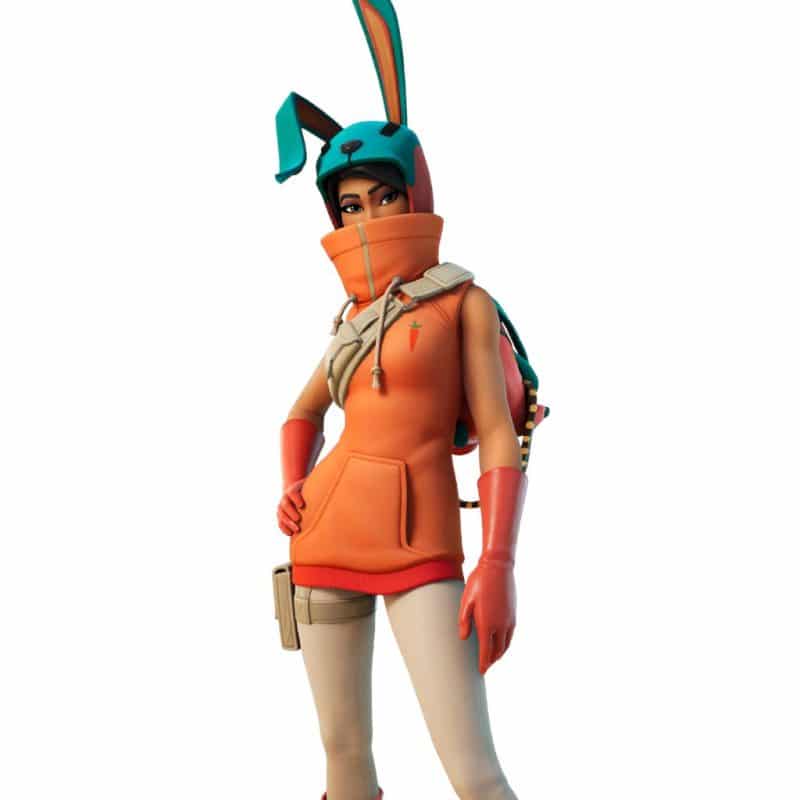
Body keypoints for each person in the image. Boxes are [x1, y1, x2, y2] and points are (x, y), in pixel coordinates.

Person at [274, 3, 530, 798]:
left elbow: (498, 434)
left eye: (383, 197)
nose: (367, 218)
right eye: (350, 205)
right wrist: (293, 483)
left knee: (475, 773)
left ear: (415, 193)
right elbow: (303, 410)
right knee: (344, 756)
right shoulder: (352, 318)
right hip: (324, 539)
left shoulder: (464, 304)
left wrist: (497, 559)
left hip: (424, 550)